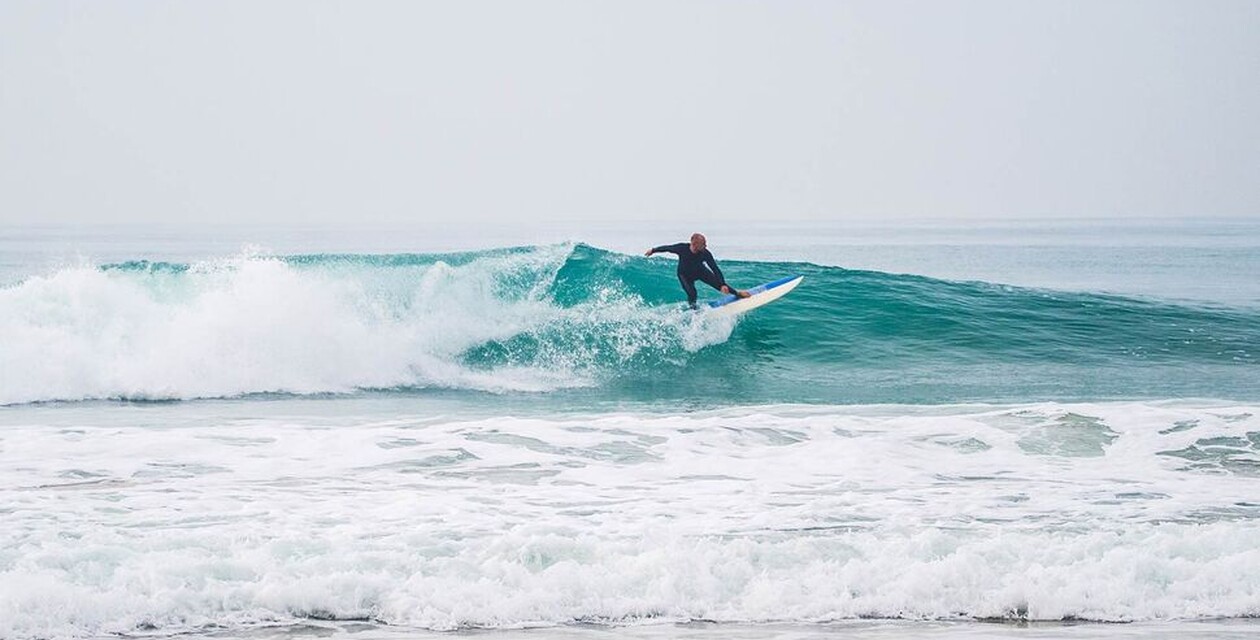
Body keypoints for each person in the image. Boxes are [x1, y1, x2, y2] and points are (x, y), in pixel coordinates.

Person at [645, 233, 750, 309]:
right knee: (692, 293)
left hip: (700, 272)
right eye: (703, 244)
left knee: (719, 284)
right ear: (694, 244)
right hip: (684, 275)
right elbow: (667, 248)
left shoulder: (705, 253)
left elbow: (715, 268)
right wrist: (653, 250)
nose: (705, 246)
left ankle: (737, 293)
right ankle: (693, 310)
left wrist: (722, 284)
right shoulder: (682, 248)